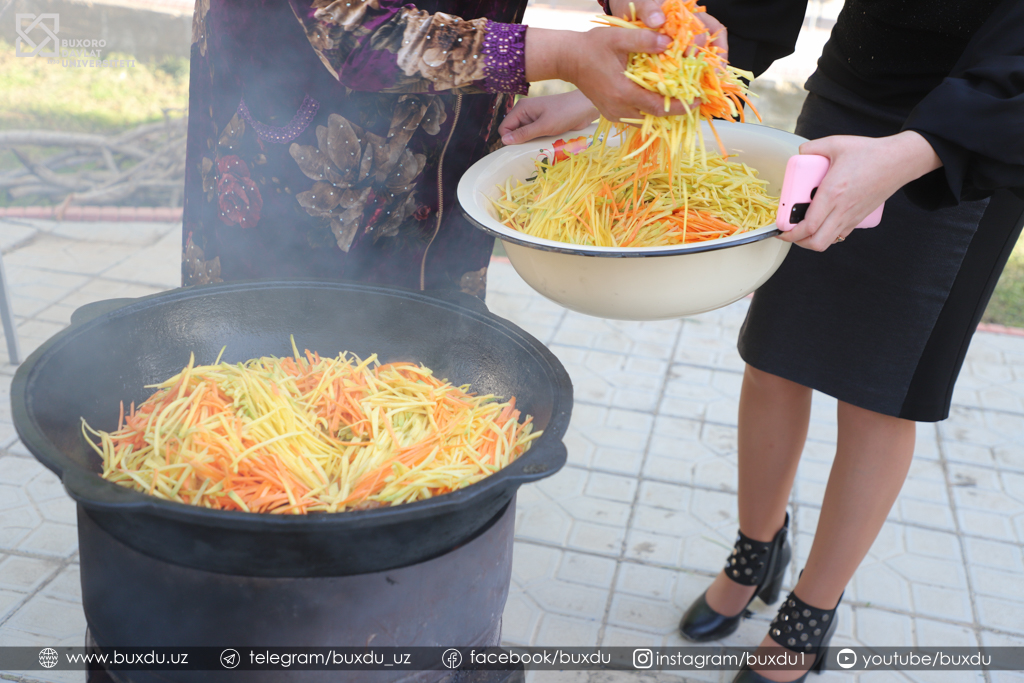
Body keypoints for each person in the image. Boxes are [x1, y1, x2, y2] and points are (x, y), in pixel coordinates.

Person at [499, 1, 1024, 681]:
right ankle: (755, 549)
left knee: (880, 395)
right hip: (855, 91)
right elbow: (742, 14)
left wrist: (911, 153)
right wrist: (602, 94)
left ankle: (812, 609)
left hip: (978, 132)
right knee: (775, 356)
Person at [180, 0, 703, 298]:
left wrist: (657, 15)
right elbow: (354, 28)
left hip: (456, 126)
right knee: (271, 365)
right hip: (302, 119)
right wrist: (564, 55)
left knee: (432, 378)